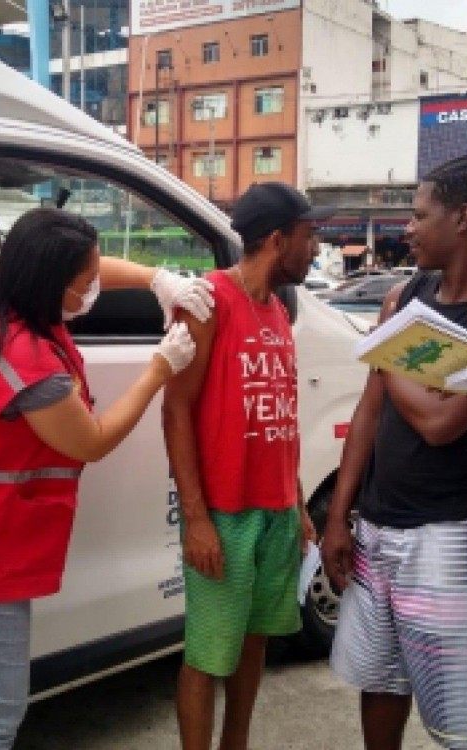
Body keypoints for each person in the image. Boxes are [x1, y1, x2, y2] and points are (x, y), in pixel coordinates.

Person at [0, 207, 210, 750]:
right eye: (85, 284)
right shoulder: (29, 365)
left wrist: (154, 278)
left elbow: (92, 271)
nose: (95, 289)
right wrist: (160, 368)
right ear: (52, 284)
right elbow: (90, 440)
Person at [322, 156, 467, 750]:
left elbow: (441, 424)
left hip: (456, 535)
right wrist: (338, 515)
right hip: (379, 523)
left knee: (463, 707)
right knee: (379, 677)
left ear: (464, 219)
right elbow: (372, 410)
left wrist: (386, 347)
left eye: (421, 215)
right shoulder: (407, 295)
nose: (409, 228)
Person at [163, 182, 321, 750]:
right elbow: (176, 411)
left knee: (255, 643)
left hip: (277, 511)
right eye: (310, 238)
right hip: (225, 515)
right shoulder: (208, 301)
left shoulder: (278, 309)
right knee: (208, 654)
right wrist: (198, 520)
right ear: (278, 240)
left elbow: (278, 418)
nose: (316, 250)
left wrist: (299, 506)